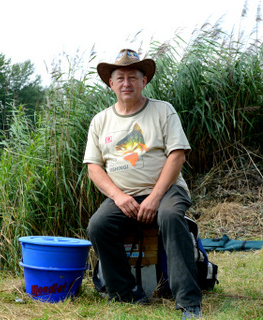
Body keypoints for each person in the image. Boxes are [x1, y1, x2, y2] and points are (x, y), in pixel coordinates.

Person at [84, 49, 203, 319]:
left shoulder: (163, 110)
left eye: (133, 77)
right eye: (120, 78)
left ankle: (188, 302)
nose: (127, 83)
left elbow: (177, 155)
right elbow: (93, 167)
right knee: (98, 226)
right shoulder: (100, 120)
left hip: (167, 190)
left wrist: (154, 197)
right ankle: (125, 293)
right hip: (124, 195)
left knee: (171, 216)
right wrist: (118, 196)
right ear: (110, 84)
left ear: (144, 81)